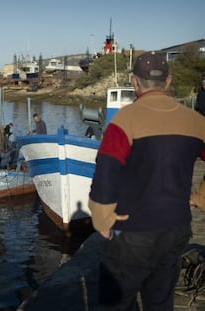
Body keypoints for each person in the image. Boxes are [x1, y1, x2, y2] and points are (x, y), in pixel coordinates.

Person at [88, 51, 205, 310]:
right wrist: (199, 198)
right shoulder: (197, 122)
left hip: (132, 232)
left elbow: (106, 171)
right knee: (160, 299)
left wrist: (102, 218)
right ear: (169, 81)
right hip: (176, 226)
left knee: (116, 301)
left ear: (134, 82)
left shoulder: (124, 121)